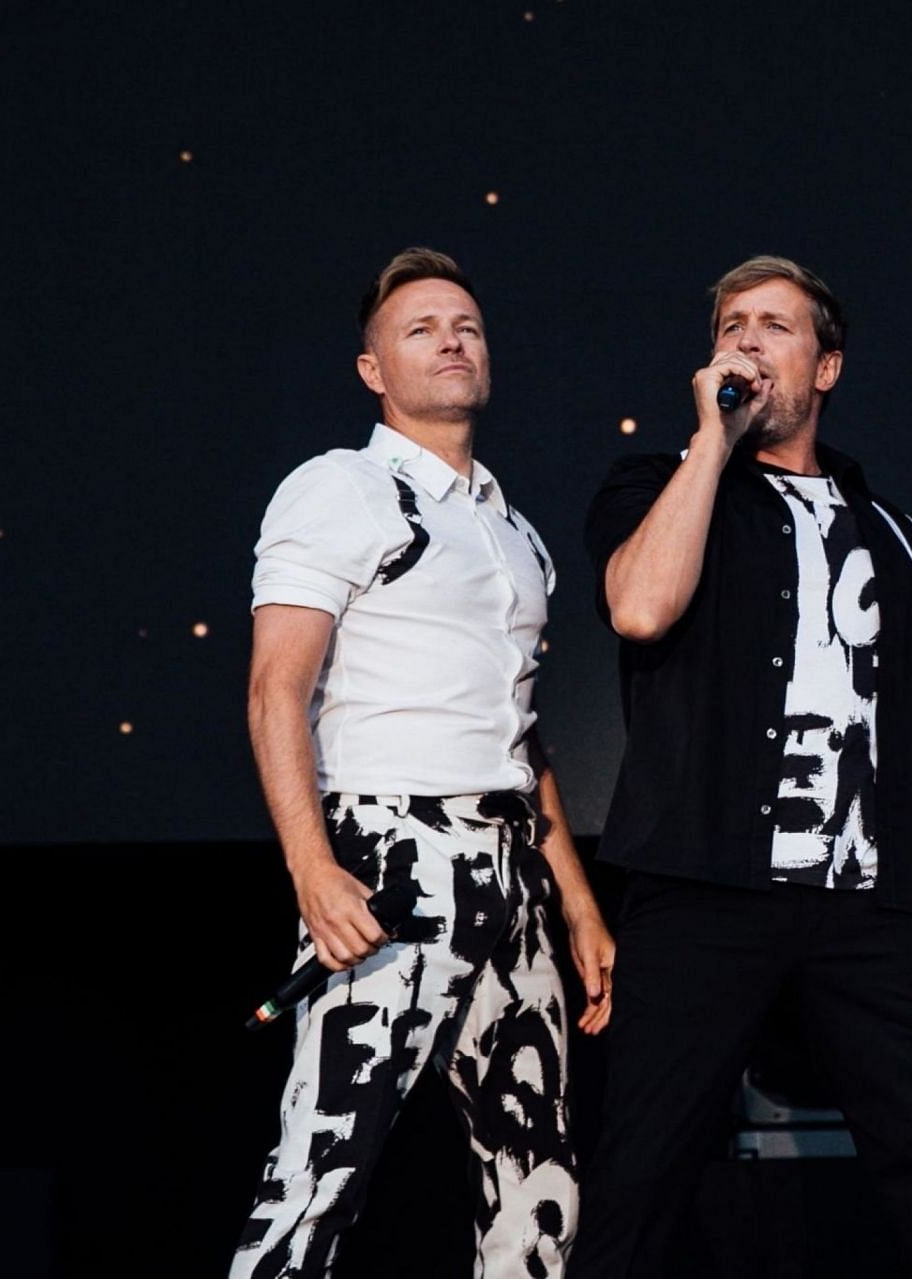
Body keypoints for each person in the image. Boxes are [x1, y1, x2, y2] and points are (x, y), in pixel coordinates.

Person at [571, 256, 912, 1278]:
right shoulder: (661, 485)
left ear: (829, 365)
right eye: (732, 325)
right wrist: (712, 443)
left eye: (776, 326)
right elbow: (638, 607)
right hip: (706, 887)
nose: (749, 341)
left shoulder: (887, 525)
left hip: (868, 904)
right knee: (639, 1177)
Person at [231, 247, 614, 1279]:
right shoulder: (339, 488)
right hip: (390, 849)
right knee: (323, 1166)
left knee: (540, 1178)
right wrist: (312, 868)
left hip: (510, 862)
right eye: (422, 328)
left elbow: (520, 731)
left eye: (468, 326)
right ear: (372, 370)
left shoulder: (515, 532)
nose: (453, 340)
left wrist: (574, 897)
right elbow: (277, 688)